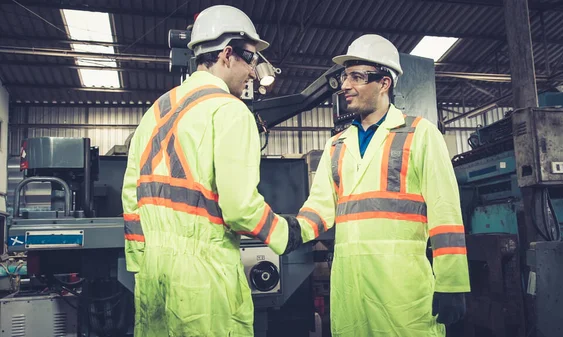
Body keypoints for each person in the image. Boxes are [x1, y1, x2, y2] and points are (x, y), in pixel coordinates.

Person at [121, 5, 301, 336]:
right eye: (250, 60)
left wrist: (140, 260)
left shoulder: (157, 110)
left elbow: (131, 194)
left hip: (152, 273)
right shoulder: (230, 111)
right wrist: (284, 233)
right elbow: (239, 208)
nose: (252, 72)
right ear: (227, 54)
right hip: (203, 278)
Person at [291, 34, 471, 337]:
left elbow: (445, 212)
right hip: (351, 286)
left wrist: (452, 283)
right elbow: (319, 208)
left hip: (400, 287)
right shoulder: (336, 145)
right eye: (345, 76)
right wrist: (290, 230)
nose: (346, 85)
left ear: (384, 82)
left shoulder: (420, 134)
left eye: (357, 76)